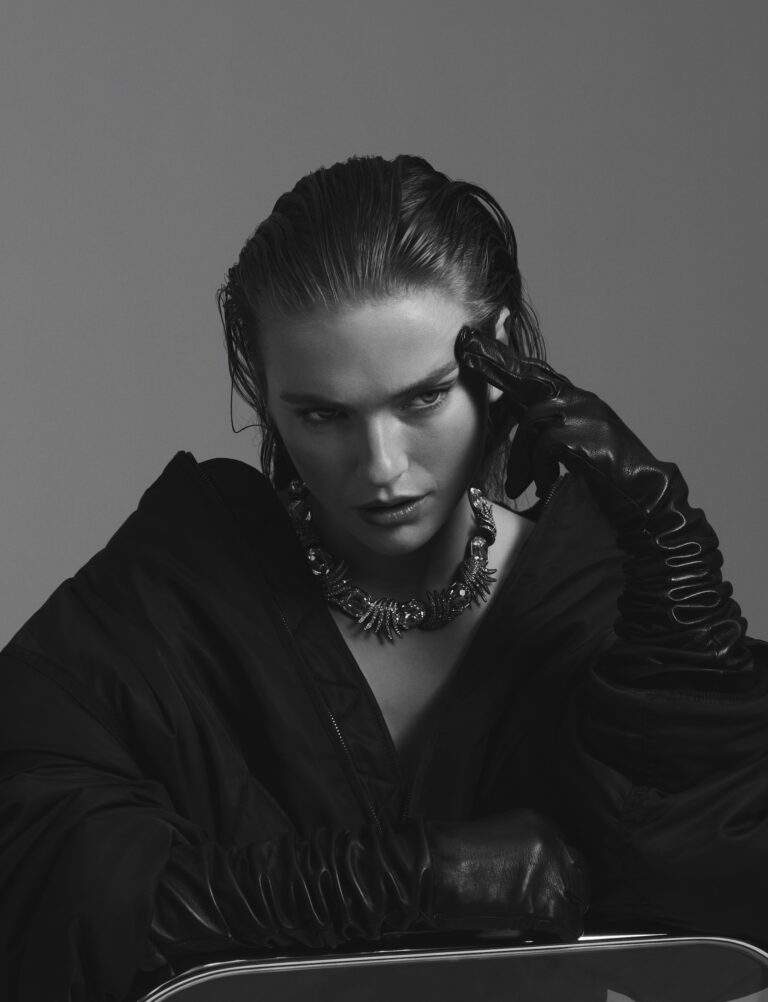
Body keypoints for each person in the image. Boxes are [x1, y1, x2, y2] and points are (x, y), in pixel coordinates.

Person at [0, 154, 765, 1002]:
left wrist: (679, 577)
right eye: (323, 414)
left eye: (423, 398)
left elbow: (718, 907)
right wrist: (393, 882)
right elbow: (48, 894)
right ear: (261, 389)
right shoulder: (173, 596)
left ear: (501, 355)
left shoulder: (606, 599)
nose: (382, 467)